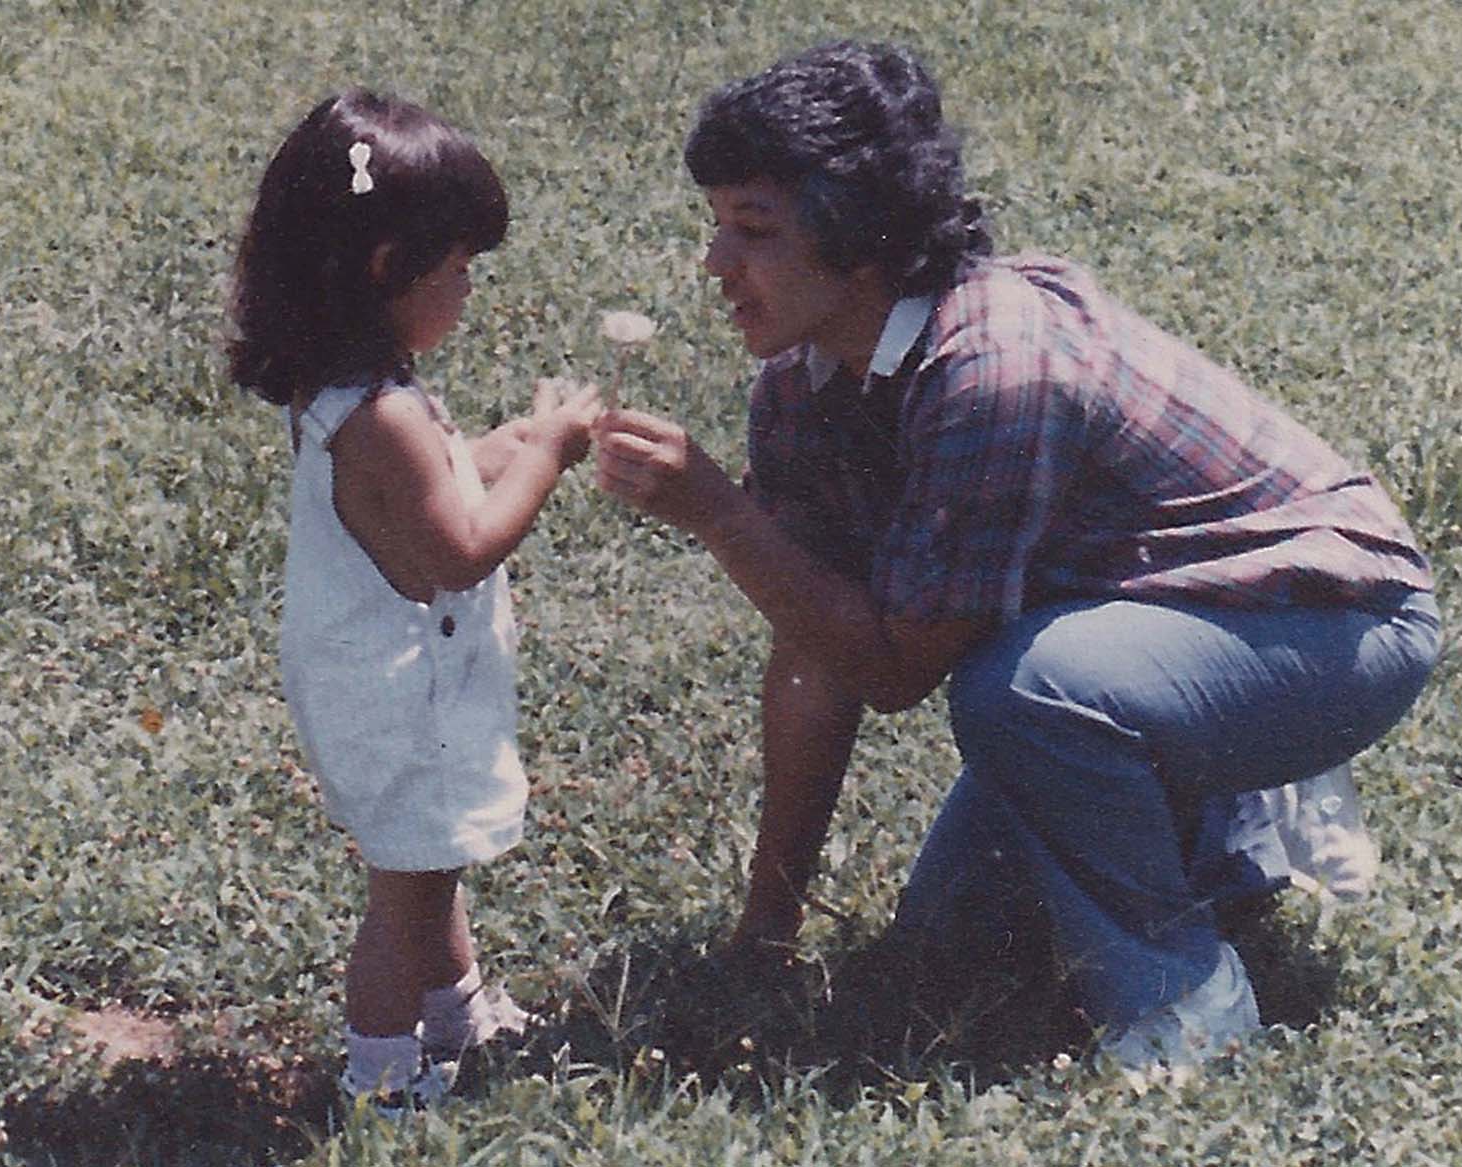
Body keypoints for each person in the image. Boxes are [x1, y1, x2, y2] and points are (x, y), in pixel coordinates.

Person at [593, 41, 1440, 1077]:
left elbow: (898, 670)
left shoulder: (992, 366)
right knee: (950, 942)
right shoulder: (802, 388)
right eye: (715, 225)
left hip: (1334, 620)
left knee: (1020, 692)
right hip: (1162, 616)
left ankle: (1182, 1007)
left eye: (753, 230)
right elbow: (814, 656)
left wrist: (723, 515)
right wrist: (766, 929)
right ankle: (1225, 824)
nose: (715, 263)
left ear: (859, 236)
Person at [227, 88, 599, 1109]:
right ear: (389, 268)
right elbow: (460, 547)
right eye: (459, 270)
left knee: (430, 865)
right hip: (402, 696)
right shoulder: (383, 412)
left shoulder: (349, 385)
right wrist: (552, 459)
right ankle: (383, 1077)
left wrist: (507, 448)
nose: (469, 289)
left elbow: (430, 490)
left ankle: (459, 1011)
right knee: (408, 891)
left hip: (376, 680)